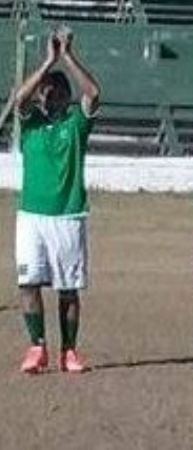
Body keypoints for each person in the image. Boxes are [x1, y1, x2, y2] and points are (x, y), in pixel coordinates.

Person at [15, 27, 100, 374]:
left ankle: (69, 350)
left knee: (68, 289)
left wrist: (66, 57)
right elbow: (19, 100)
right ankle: (37, 347)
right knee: (28, 283)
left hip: (68, 216)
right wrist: (47, 61)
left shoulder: (77, 123)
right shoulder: (31, 122)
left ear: (65, 96)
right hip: (32, 217)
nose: (45, 97)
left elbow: (93, 92)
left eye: (53, 92)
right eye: (43, 92)